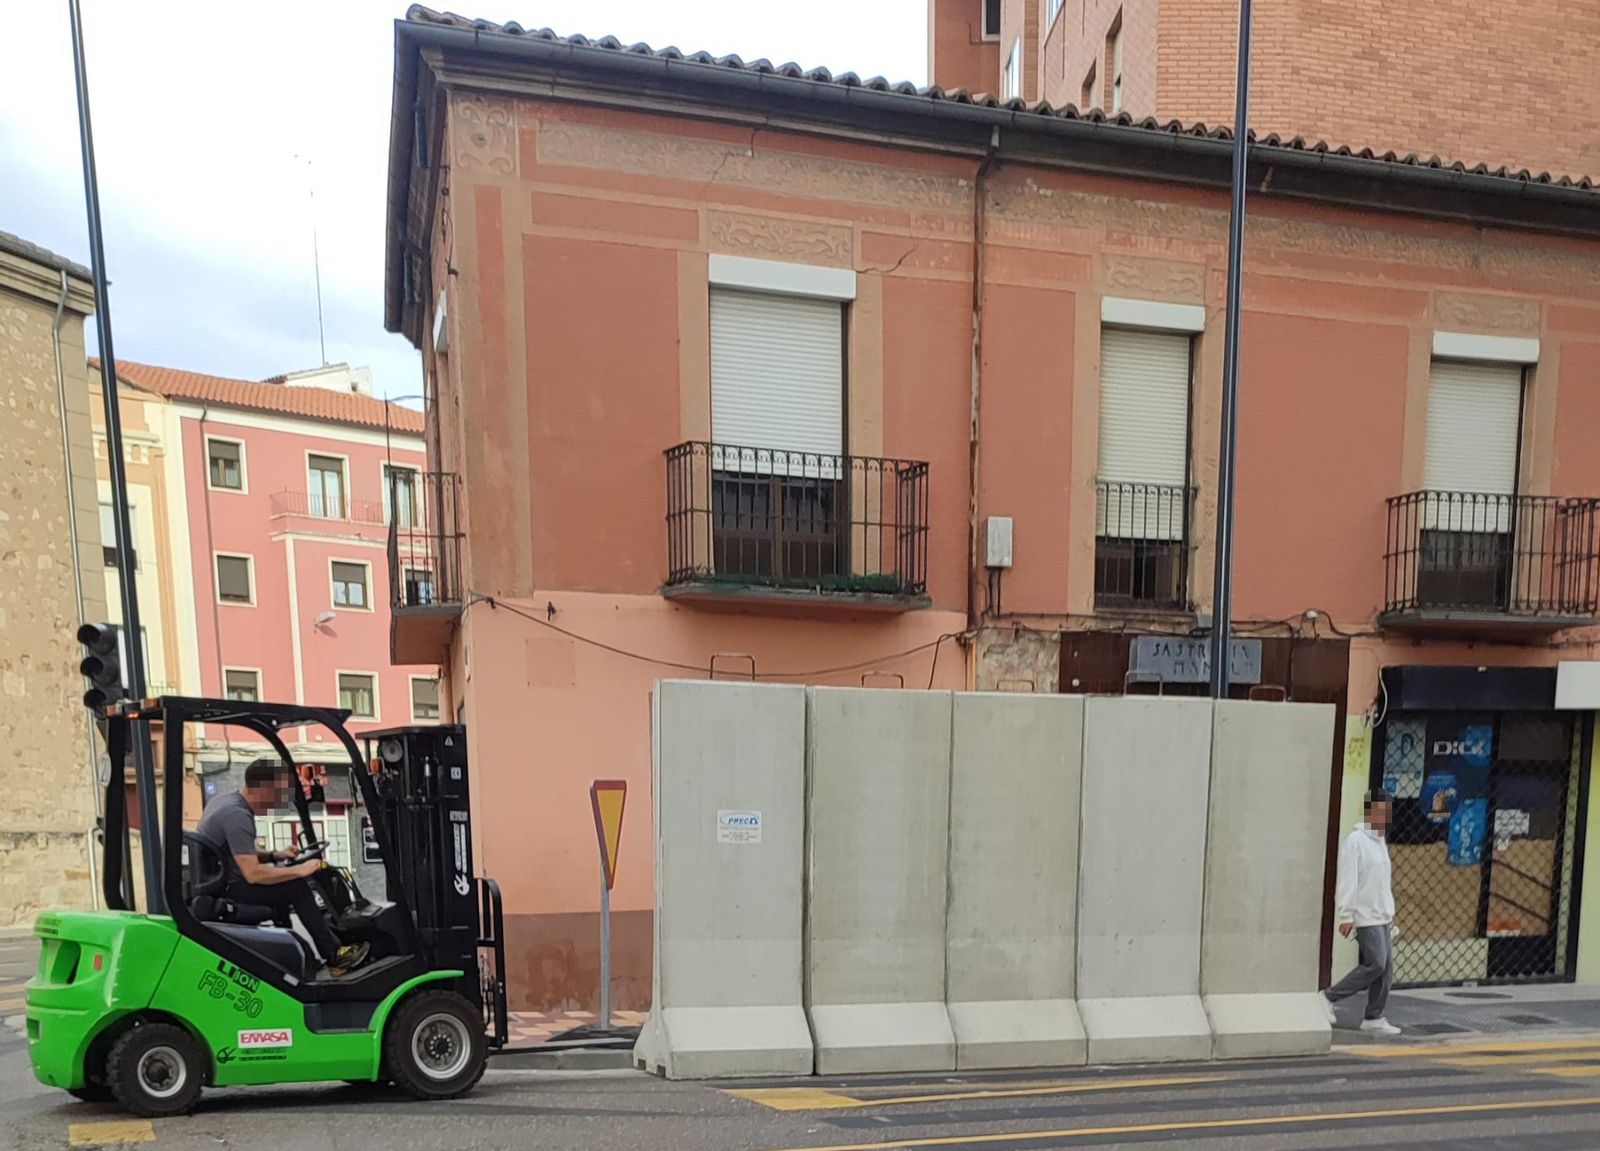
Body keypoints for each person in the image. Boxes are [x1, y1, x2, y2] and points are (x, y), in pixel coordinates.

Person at [195, 760, 369, 977]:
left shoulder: (224, 801)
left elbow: (237, 852)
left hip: (222, 881)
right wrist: (301, 870)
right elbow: (253, 873)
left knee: (283, 889)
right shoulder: (237, 816)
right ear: (263, 788)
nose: (279, 801)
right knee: (296, 887)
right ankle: (334, 954)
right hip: (229, 889)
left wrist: (274, 855)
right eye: (278, 793)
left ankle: (295, 963)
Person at [1322, 789, 1401, 1036]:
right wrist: (1346, 915)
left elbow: (1380, 882)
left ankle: (1374, 1016)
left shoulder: (1380, 842)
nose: (1383, 816)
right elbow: (1349, 880)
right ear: (1369, 812)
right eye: (1379, 811)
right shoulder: (1356, 841)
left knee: (1386, 968)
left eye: (1386, 812)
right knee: (1375, 963)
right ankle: (1327, 997)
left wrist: (1390, 912)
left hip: (1382, 914)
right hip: (1365, 915)